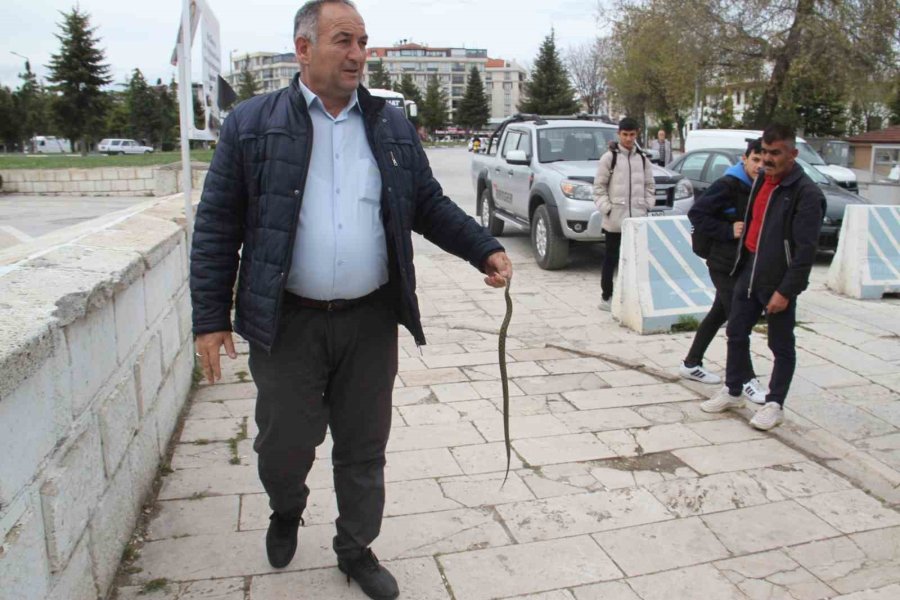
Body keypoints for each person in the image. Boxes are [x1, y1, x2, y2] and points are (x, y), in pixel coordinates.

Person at [189, 2, 513, 598]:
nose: (359, 54)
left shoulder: (389, 124)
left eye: (364, 41)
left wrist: (483, 248)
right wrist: (210, 318)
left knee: (364, 447)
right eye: (344, 40)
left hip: (368, 318)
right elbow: (216, 225)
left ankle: (355, 548)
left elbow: (427, 204)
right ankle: (285, 508)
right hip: (287, 322)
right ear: (303, 48)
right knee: (284, 443)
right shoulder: (252, 124)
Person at [700, 124, 824, 430]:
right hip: (748, 270)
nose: (768, 159)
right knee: (736, 332)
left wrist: (786, 291)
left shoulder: (806, 194)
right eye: (764, 152)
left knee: (781, 345)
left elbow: (804, 252)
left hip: (778, 281)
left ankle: (774, 404)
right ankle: (733, 391)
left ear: (793, 154)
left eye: (775, 153)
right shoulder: (761, 181)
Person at [679, 139, 765, 404]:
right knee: (738, 320)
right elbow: (697, 214)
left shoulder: (760, 186)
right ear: (744, 159)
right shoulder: (728, 185)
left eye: (764, 161)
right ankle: (747, 379)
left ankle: (691, 363)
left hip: (741, 263)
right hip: (721, 263)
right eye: (755, 160)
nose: (759, 166)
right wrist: (728, 231)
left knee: (719, 313)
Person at [592, 116, 655, 311]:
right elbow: (598, 187)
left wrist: (647, 205)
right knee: (611, 259)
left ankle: (634, 296)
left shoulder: (643, 159)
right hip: (615, 220)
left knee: (637, 260)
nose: (629, 138)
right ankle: (607, 296)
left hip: (637, 219)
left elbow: (650, 185)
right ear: (619, 134)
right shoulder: (609, 158)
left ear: (637, 134)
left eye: (632, 134)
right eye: (625, 134)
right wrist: (607, 208)